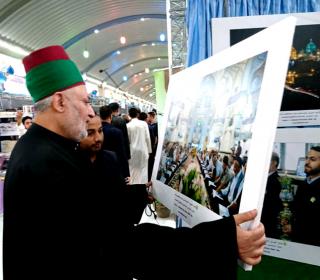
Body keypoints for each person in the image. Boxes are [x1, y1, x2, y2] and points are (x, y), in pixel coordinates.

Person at [4, 45, 265, 280]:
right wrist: (222, 240)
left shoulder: (41, 149)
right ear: (59, 101)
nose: (91, 112)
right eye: (84, 101)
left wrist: (144, 192)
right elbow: (117, 245)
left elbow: (98, 210)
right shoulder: (48, 163)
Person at [292, 146, 320, 246]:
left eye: (312, 159)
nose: (307, 162)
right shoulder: (303, 184)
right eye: (307, 158)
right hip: (297, 239)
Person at [99, 105, 130, 179]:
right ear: (110, 116)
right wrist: (126, 173)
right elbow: (122, 152)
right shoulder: (117, 132)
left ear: (100, 116)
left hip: (99, 166)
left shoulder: (97, 131)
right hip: (114, 166)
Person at [261, 152, 282, 238]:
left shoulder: (275, 181)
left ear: (274, 163)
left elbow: (269, 205)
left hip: (267, 221)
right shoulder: (266, 178)